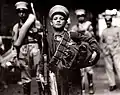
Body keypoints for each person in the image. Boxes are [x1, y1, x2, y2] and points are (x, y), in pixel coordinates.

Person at [48, 5, 100, 95]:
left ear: (65, 22)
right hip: (57, 75)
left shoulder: (72, 35)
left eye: (61, 18)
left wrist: (95, 51)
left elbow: (91, 40)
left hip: (73, 74)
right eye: (55, 18)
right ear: (51, 22)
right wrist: (40, 72)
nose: (58, 20)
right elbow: (44, 56)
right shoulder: (48, 39)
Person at [12, 1, 43, 95]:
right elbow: (14, 43)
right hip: (23, 49)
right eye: (19, 12)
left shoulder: (35, 23)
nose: (22, 14)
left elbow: (42, 38)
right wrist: (14, 56)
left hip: (35, 48)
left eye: (24, 11)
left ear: (27, 12)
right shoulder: (16, 27)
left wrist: (37, 32)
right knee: (25, 76)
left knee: (39, 73)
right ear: (17, 13)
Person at [71, 9, 95, 94]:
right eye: (79, 16)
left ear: (84, 16)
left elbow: (92, 37)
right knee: (81, 72)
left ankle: (91, 85)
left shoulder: (89, 25)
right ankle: (82, 90)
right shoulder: (75, 27)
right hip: (79, 51)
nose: (81, 17)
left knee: (89, 70)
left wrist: (86, 31)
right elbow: (72, 37)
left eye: (82, 16)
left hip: (87, 49)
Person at [101, 9, 120, 91]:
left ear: (111, 20)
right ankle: (112, 84)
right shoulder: (104, 31)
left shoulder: (117, 29)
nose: (108, 22)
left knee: (119, 67)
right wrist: (104, 50)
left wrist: (117, 49)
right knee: (109, 68)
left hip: (116, 51)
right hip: (107, 52)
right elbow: (102, 42)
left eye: (109, 20)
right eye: (106, 21)